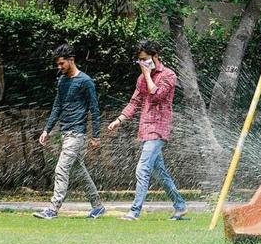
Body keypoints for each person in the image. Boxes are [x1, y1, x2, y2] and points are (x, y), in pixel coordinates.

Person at [108, 39, 187, 221]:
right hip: (145, 128)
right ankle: (180, 206)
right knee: (160, 172)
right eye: (140, 60)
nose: (142, 63)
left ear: (155, 56)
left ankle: (134, 212)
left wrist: (148, 75)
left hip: (158, 129)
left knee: (142, 168)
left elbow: (157, 94)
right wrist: (119, 120)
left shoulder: (169, 75)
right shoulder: (141, 79)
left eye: (144, 59)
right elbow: (134, 102)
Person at [33, 44, 105, 219]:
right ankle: (98, 206)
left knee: (61, 169)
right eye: (58, 64)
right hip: (65, 133)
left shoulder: (86, 81)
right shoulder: (62, 81)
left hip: (77, 134)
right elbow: (57, 106)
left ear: (71, 60)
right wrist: (47, 130)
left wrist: (96, 136)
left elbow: (94, 110)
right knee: (78, 170)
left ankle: (53, 208)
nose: (59, 67)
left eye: (61, 64)